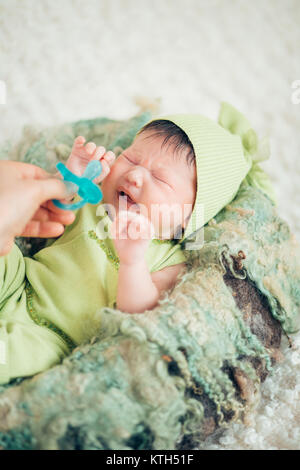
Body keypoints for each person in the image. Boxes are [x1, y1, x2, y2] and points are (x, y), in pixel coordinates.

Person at [0, 102, 277, 385]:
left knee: (10, 354)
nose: (134, 175)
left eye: (159, 178)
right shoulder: (97, 199)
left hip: (52, 335)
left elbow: (138, 315)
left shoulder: (169, 259)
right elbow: (45, 210)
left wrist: (132, 261)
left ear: (189, 218)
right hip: (19, 279)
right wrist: (70, 179)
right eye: (131, 158)